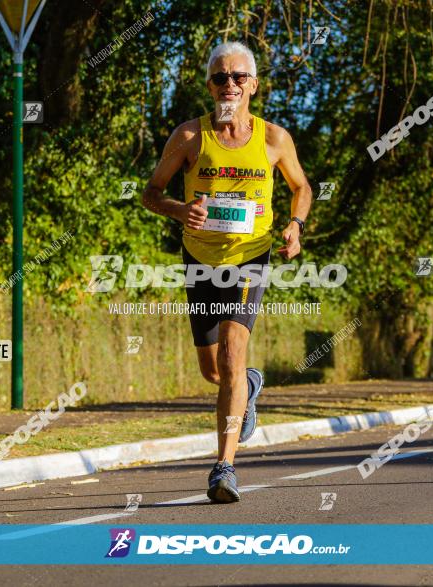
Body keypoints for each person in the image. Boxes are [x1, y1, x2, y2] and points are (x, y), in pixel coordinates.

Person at [142, 41, 312, 502]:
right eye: (221, 77)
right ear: (209, 85)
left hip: (250, 258)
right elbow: (151, 193)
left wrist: (295, 227)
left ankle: (224, 467)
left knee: (233, 354)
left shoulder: (274, 139)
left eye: (239, 77)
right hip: (200, 259)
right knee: (214, 371)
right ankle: (250, 386)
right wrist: (180, 211)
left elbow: (302, 187)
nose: (230, 84)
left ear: (253, 85)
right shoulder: (189, 138)